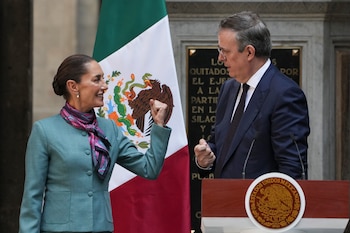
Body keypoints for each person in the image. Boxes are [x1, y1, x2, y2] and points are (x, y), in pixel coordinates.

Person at [18, 54, 171, 233]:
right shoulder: (44, 131)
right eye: (97, 80)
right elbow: (32, 196)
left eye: (103, 80)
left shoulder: (110, 129)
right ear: (73, 86)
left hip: (101, 228)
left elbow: (149, 169)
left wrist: (158, 125)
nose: (104, 86)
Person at [194, 11, 310, 180]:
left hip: (260, 203)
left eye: (225, 51)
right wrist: (206, 158)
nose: (220, 58)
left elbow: (292, 169)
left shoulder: (284, 94)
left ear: (249, 52)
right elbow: (220, 144)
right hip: (222, 200)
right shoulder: (228, 88)